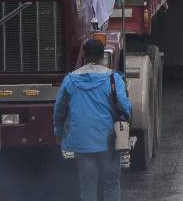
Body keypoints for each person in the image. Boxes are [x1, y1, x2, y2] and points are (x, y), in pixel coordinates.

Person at [54, 38, 132, 201]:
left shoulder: (70, 80)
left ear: (84, 55)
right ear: (102, 56)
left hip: (82, 143)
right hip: (109, 142)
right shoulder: (113, 79)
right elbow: (125, 106)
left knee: (88, 187)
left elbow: (59, 110)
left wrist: (59, 132)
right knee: (111, 184)